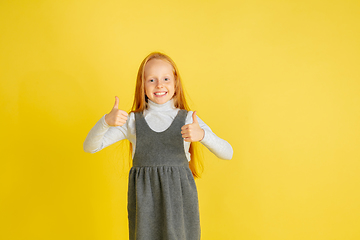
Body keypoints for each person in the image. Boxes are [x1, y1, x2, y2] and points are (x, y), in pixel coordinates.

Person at [83, 52, 233, 240]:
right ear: (142, 84)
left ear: (175, 83)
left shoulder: (187, 118)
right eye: (151, 80)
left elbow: (228, 152)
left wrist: (202, 135)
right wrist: (105, 121)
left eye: (166, 78)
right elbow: (90, 146)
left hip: (180, 205)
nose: (159, 85)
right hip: (146, 207)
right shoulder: (132, 122)